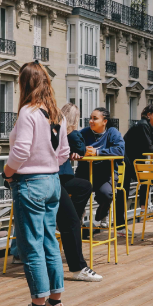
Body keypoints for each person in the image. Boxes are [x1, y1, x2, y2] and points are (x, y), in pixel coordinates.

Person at [2, 62, 70, 306]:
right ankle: (55, 303)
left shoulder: (27, 113)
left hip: (30, 182)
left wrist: (8, 172)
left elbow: (20, 151)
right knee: (49, 241)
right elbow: (63, 153)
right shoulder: (56, 115)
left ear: (24, 83)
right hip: (53, 181)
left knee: (31, 245)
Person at [57, 103, 102, 282]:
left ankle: (70, 218)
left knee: (84, 187)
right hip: (54, 178)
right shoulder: (70, 132)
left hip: (46, 178)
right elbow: (80, 150)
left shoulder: (54, 128)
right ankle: (78, 267)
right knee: (73, 220)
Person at [75, 107, 126, 232]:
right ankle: (79, 219)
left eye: (95, 118)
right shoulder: (84, 132)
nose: (91, 121)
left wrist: (97, 152)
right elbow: (73, 145)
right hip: (85, 172)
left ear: (105, 121)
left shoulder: (112, 132)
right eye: (90, 118)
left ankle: (102, 213)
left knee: (107, 193)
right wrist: (78, 152)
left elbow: (120, 150)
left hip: (105, 174)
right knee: (76, 193)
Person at [123, 103, 153, 213]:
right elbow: (150, 148)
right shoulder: (143, 125)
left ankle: (143, 208)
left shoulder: (149, 126)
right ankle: (124, 215)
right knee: (126, 188)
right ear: (149, 115)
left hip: (135, 159)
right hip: (128, 160)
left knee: (145, 180)